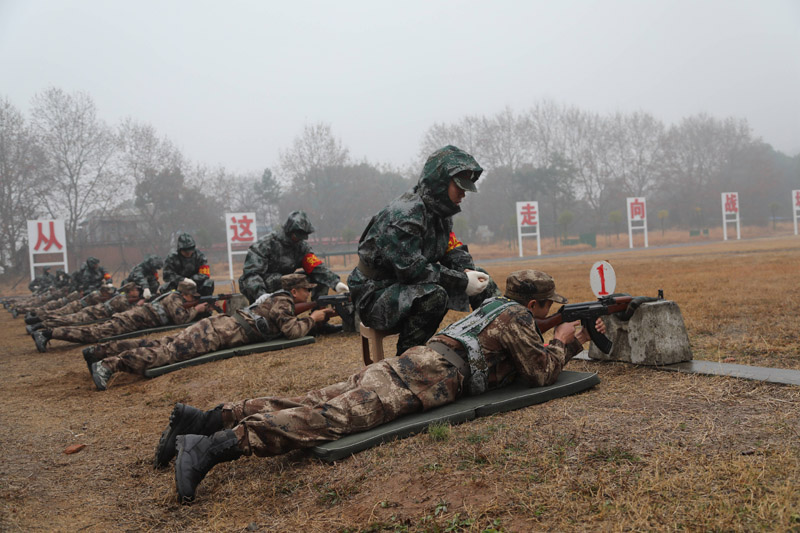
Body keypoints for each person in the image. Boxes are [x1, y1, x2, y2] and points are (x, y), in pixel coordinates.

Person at [156, 269, 605, 503]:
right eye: (547, 306)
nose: (546, 312)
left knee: (317, 399)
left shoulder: (492, 308)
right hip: (427, 377)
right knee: (333, 418)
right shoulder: (516, 315)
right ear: (534, 303)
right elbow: (542, 371)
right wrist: (567, 341)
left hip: (415, 362)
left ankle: (207, 416)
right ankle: (214, 445)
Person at [348, 145, 499, 356]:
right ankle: (407, 360)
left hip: (403, 287)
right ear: (440, 183)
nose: (464, 193)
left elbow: (453, 249)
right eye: (460, 187)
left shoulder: (440, 212)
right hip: (375, 293)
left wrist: (466, 271)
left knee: (484, 281)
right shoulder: (405, 214)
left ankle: (499, 345)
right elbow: (411, 270)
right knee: (434, 295)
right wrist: (462, 282)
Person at [89, 273, 336, 390]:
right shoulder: (285, 301)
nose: (309, 294)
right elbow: (292, 331)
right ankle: (108, 365)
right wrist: (313, 319)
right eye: (306, 290)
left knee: (163, 343)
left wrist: (319, 318)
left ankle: (101, 351)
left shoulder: (276, 299)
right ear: (295, 292)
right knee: (167, 353)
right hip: (217, 334)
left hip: (218, 327)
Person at [31, 279, 209, 352]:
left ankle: (47, 331)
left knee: (93, 331)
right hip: (130, 320)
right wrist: (197, 310)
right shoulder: (173, 298)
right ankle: (47, 333)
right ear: (187, 294)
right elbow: (181, 318)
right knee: (93, 333)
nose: (193, 299)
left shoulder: (174, 298)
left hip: (132, 319)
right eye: (192, 296)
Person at [239, 211, 348, 305]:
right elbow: (251, 274)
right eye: (297, 236)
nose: (299, 240)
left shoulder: (301, 247)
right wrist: (260, 294)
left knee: (320, 278)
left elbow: (315, 266)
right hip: (260, 285)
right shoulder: (265, 244)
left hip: (285, 281)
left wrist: (335, 282)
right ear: (289, 231)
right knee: (281, 279)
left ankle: (319, 319)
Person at [26, 282, 142, 332]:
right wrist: (140, 303)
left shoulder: (120, 298)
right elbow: (130, 312)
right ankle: (37, 324)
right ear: (130, 291)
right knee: (64, 318)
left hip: (90, 311)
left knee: (62, 317)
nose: (137, 291)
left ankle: (37, 321)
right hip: (90, 313)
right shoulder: (121, 299)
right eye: (136, 290)